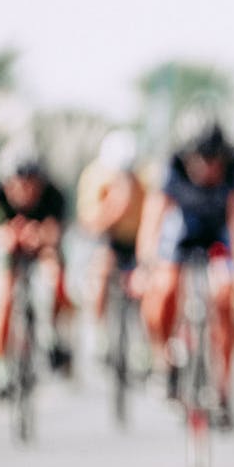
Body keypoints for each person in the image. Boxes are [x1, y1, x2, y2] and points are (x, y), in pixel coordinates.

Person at [134, 113, 234, 429]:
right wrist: (145, 265)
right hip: (183, 229)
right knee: (162, 291)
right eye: (199, 161)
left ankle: (223, 390)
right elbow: (154, 218)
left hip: (219, 232)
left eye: (213, 160)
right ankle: (164, 363)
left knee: (226, 295)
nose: (206, 168)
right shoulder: (171, 164)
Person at [0, 136, 73, 397]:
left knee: (53, 274)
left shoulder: (53, 195)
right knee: (2, 300)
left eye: (30, 182)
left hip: (42, 251)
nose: (23, 190)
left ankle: (50, 335)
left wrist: (40, 236)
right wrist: (4, 235)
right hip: (7, 254)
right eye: (17, 184)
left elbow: (55, 233)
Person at [75, 129, 146, 326]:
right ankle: (100, 331)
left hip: (136, 241)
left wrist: (144, 263)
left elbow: (152, 224)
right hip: (106, 240)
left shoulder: (145, 180)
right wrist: (116, 207)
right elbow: (90, 225)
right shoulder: (94, 177)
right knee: (101, 272)